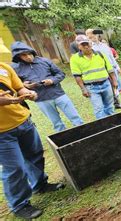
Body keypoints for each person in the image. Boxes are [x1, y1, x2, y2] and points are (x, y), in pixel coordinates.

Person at [0, 62, 65, 219]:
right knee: (15, 168)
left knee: (34, 154)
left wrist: (29, 93)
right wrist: (9, 101)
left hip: (23, 121)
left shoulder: (4, 67)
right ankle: (19, 205)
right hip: (2, 134)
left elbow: (19, 87)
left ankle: (40, 184)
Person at [10, 41, 83, 132]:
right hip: (41, 99)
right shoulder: (15, 68)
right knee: (57, 124)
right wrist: (25, 85)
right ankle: (65, 143)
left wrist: (52, 80)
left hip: (58, 95)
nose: (28, 57)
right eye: (24, 55)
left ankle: (85, 136)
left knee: (75, 118)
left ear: (32, 52)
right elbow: (15, 85)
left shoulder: (44, 61)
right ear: (18, 57)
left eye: (29, 54)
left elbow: (60, 74)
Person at [70, 35, 118, 119]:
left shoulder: (100, 54)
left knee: (110, 107)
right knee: (98, 109)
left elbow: (110, 69)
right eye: (83, 45)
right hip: (91, 87)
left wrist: (114, 81)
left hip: (106, 84)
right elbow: (77, 76)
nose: (86, 46)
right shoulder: (75, 59)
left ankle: (112, 125)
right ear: (79, 46)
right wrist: (83, 89)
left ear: (91, 44)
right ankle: (103, 128)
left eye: (87, 44)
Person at [85, 29, 121, 109]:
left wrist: (117, 67)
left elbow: (111, 57)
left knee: (114, 86)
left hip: (111, 69)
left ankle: (116, 103)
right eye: (90, 34)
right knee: (107, 88)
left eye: (94, 34)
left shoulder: (104, 46)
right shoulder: (90, 48)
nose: (93, 36)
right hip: (101, 71)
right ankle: (108, 105)